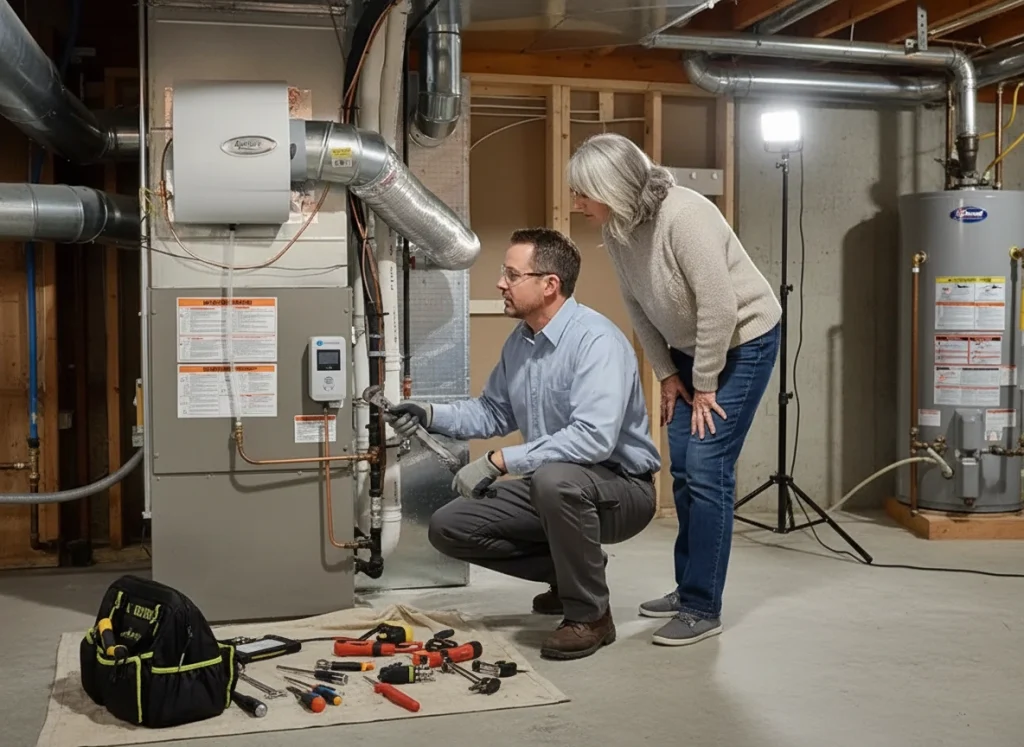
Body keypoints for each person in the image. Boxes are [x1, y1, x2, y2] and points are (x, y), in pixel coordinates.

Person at [386, 227, 661, 661]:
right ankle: (575, 576)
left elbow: (593, 438)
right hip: (557, 485)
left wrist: (499, 460)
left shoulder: (597, 342)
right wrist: (430, 413)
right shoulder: (521, 343)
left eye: (512, 275)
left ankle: (590, 616)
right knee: (449, 526)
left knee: (554, 481)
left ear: (549, 284)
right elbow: (494, 412)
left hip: (622, 488)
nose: (500, 284)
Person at [566, 132, 782, 648]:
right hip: (692, 347)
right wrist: (667, 373)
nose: (576, 203)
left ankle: (703, 607)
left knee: (708, 471)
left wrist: (703, 384)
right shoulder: (619, 228)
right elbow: (638, 306)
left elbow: (721, 307)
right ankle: (690, 589)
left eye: (582, 193)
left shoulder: (686, 216)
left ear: (611, 188)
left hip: (742, 341)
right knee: (682, 467)